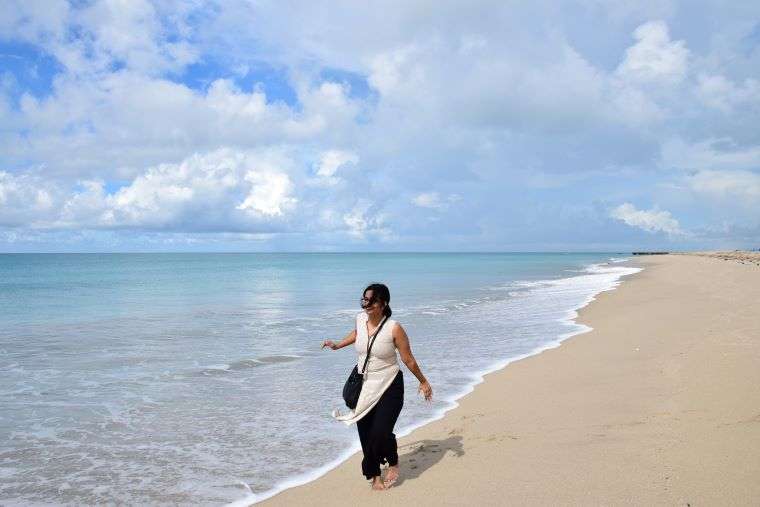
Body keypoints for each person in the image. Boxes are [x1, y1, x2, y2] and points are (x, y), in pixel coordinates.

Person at [322, 283, 433, 490]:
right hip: (365, 384)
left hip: (390, 384)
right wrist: (337, 345)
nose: (366, 304)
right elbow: (358, 334)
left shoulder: (394, 328)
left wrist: (423, 381)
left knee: (380, 432)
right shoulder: (360, 318)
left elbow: (408, 359)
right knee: (365, 432)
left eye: (371, 300)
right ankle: (374, 475)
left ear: (383, 303)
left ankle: (393, 460)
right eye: (364, 299)